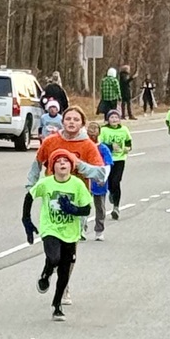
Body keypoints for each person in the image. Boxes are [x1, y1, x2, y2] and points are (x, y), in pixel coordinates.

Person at [26, 106, 109, 305]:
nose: (71, 122)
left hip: (77, 199)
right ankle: (51, 269)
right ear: (63, 121)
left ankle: (64, 287)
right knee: (53, 240)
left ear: (82, 123)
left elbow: (99, 174)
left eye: (76, 119)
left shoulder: (88, 145)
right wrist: (31, 185)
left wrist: (78, 164)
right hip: (52, 196)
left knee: (70, 245)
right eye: (68, 118)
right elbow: (37, 163)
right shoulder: (51, 141)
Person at [21, 148, 92, 321]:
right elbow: (30, 196)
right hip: (50, 228)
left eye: (66, 161)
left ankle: (57, 305)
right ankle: (46, 272)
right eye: (58, 161)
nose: (62, 163)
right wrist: (27, 220)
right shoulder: (46, 183)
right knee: (54, 258)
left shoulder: (77, 184)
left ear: (71, 166)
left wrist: (73, 209)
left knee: (64, 270)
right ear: (53, 166)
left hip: (70, 232)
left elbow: (87, 208)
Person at [99, 110, 132, 220]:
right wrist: (110, 146)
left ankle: (116, 207)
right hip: (107, 160)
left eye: (116, 117)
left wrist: (128, 148)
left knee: (116, 181)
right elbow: (99, 145)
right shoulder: (103, 130)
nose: (114, 120)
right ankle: (111, 193)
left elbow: (128, 141)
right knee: (108, 181)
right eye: (112, 117)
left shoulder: (124, 130)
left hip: (120, 158)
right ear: (108, 119)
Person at [86, 120, 113, 241]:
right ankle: (81, 228)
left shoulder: (103, 148)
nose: (92, 133)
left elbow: (108, 165)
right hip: (85, 181)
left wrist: (103, 178)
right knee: (82, 205)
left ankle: (99, 230)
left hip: (99, 182)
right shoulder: (84, 147)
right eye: (90, 130)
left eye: (94, 130)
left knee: (100, 207)